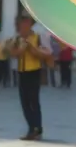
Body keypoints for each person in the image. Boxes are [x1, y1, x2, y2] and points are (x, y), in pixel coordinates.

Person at [9, 11, 47, 140]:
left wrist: (32, 48)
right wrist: (20, 50)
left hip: (34, 71)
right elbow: (13, 54)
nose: (23, 26)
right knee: (24, 102)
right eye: (21, 24)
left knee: (34, 101)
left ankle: (37, 128)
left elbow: (43, 54)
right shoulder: (17, 38)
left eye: (25, 23)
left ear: (30, 24)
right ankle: (32, 128)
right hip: (22, 72)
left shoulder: (37, 37)